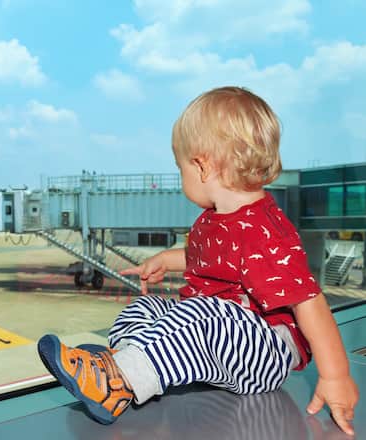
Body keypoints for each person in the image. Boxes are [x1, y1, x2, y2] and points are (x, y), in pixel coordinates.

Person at [37, 86, 359, 435]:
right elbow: (207, 257)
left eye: (181, 170)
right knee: (147, 309)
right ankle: (119, 370)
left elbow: (309, 300)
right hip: (220, 338)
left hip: (263, 351)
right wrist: (165, 260)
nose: (182, 180)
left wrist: (336, 375)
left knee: (196, 316)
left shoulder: (263, 230)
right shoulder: (216, 218)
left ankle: (121, 379)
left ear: (202, 166)